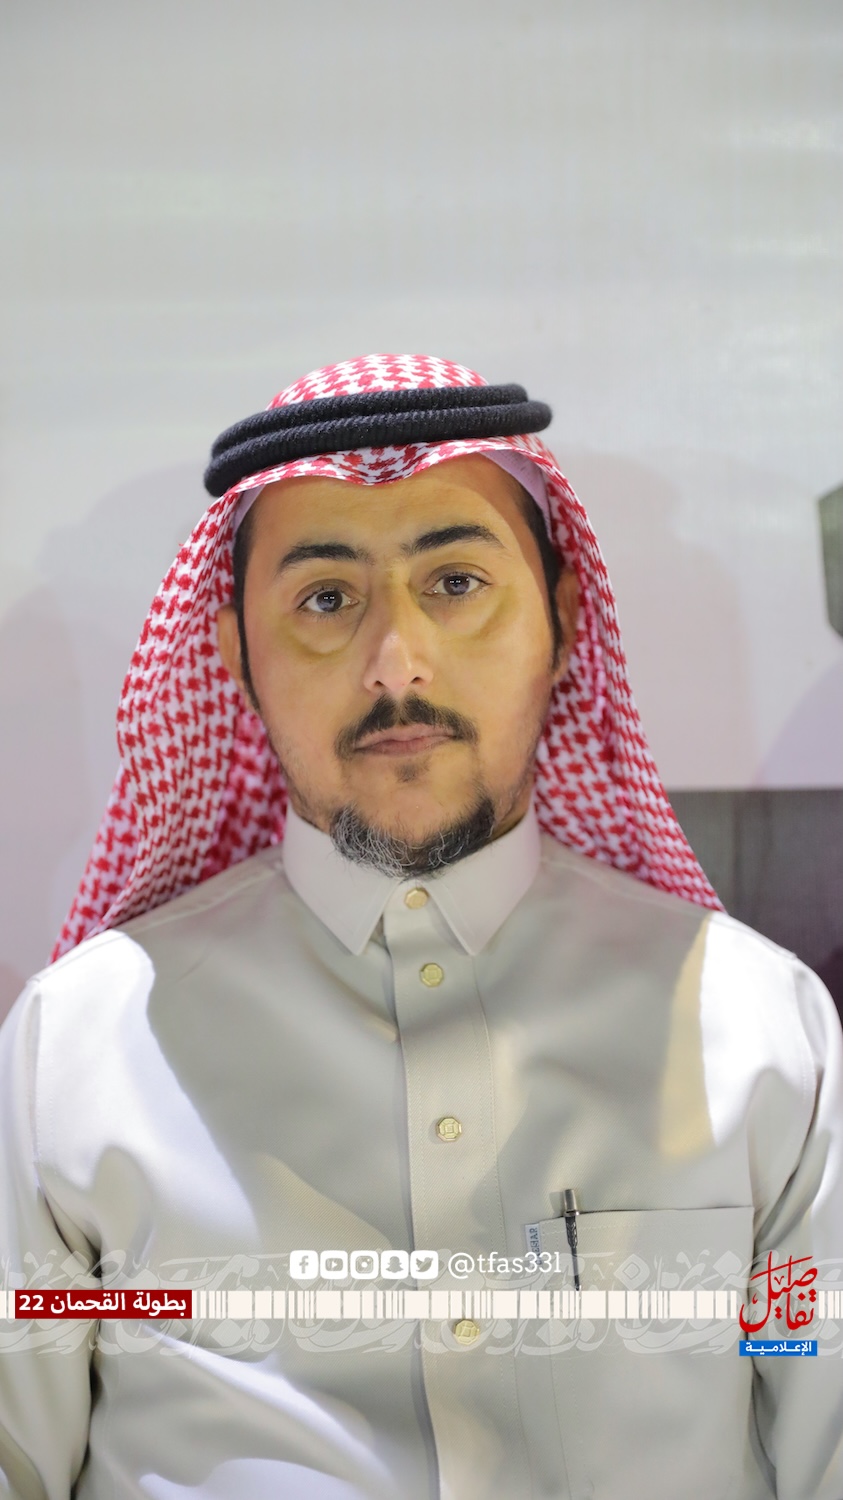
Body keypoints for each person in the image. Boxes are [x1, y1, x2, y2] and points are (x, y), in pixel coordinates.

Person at [0, 353, 841, 1499]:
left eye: (455, 582)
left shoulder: (759, 1034)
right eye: (325, 599)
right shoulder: (78, 1051)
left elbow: (822, 1425)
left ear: (564, 617)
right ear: (234, 655)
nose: (396, 664)